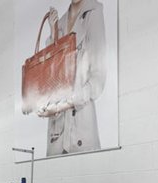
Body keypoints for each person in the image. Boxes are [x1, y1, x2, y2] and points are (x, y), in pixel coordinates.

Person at [37, 0, 107, 155]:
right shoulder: (60, 22)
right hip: (57, 134)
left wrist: (63, 105)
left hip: (81, 129)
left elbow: (98, 79)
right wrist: (53, 32)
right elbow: (52, 75)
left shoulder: (93, 12)